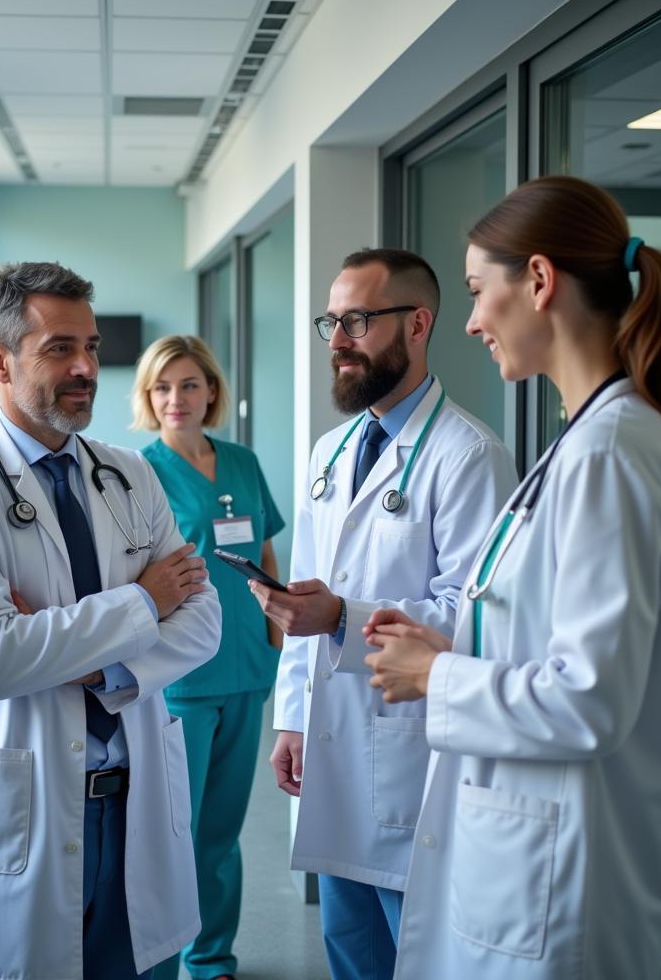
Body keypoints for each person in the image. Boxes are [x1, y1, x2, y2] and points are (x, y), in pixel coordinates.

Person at [364, 177, 661, 979]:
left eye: (479, 291)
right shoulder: (583, 439)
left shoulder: (614, 449)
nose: (470, 321)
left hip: (561, 880)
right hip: (529, 858)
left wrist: (441, 676)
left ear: (539, 281)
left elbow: (590, 699)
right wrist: (464, 642)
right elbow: (560, 637)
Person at [0, 262, 221, 980]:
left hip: (131, 801)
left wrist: (79, 651)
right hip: (22, 810)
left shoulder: (129, 472)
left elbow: (202, 622)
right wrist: (142, 604)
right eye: (59, 348)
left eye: (93, 347)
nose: (86, 368)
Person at [252, 248, 517, 980]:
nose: (337, 340)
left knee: (418, 951)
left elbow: (476, 617)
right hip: (334, 745)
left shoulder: (469, 456)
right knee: (351, 950)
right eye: (331, 322)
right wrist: (293, 718)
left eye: (358, 321)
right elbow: (311, 594)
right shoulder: (329, 452)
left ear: (419, 324)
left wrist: (343, 615)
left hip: (414, 754)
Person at [132, 335, 285, 980]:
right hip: (184, 676)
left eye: (189, 384)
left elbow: (266, 552)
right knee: (175, 834)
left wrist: (275, 638)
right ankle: (160, 960)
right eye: (163, 388)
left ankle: (212, 958)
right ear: (148, 397)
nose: (176, 399)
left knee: (221, 830)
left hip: (248, 667)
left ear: (212, 391)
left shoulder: (243, 463)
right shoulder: (137, 471)